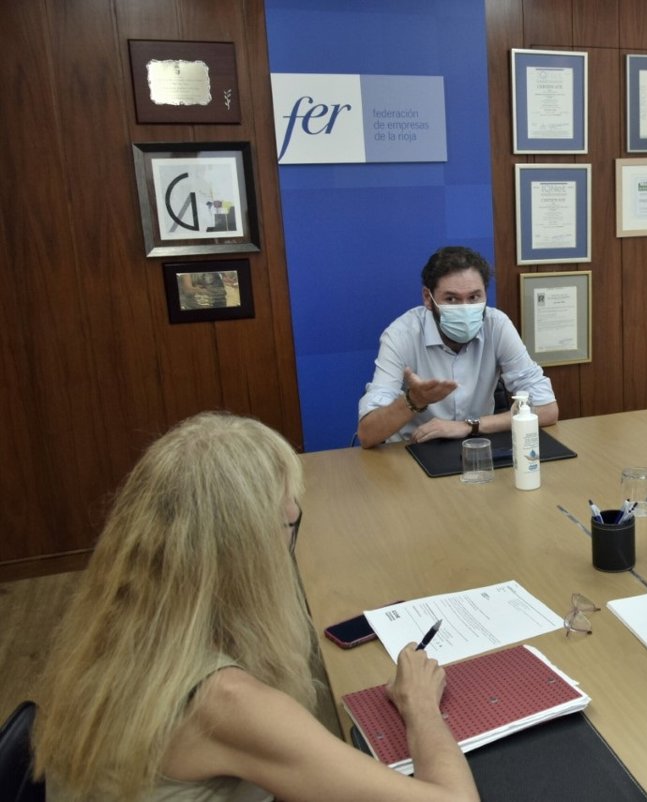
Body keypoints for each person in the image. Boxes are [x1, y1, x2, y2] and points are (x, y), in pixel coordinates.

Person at [33, 412, 480, 802]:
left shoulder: (114, 630)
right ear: (248, 554)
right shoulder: (224, 703)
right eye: (290, 521)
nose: (294, 528)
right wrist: (420, 704)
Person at [357, 246, 558, 448]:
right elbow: (367, 434)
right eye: (451, 299)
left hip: (478, 445)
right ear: (428, 298)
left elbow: (547, 409)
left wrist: (469, 426)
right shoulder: (401, 335)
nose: (465, 308)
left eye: (474, 297)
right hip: (413, 449)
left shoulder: (497, 325)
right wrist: (414, 400)